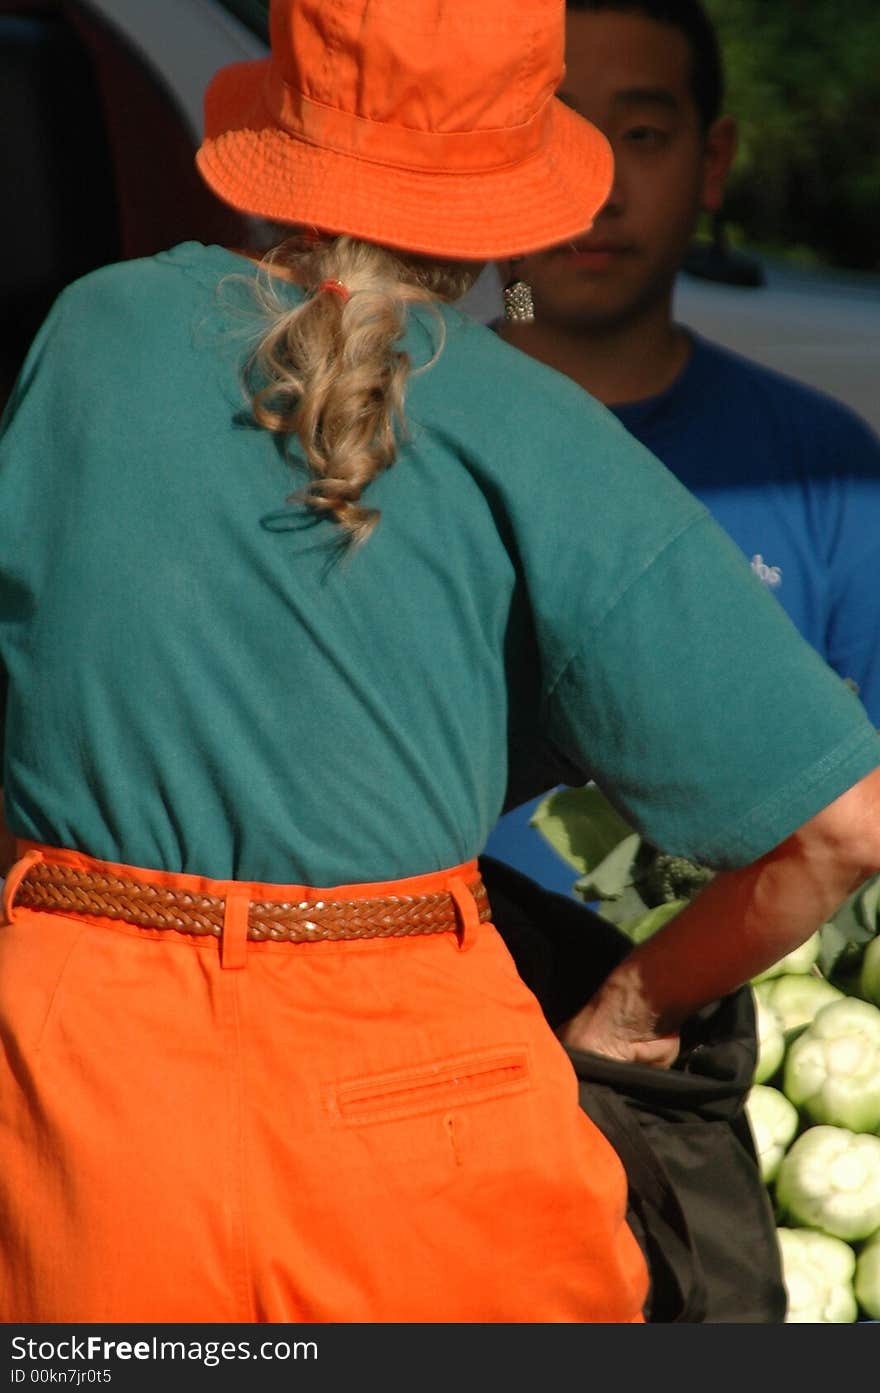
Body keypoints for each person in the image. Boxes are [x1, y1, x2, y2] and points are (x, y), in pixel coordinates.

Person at [0, 0, 879, 1325]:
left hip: (73, 1098)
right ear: (515, 200)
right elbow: (842, 828)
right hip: (422, 1128)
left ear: (280, 125)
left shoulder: (93, 334)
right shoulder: (545, 433)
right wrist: (633, 1009)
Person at [483, 0, 880, 896]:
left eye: (644, 134)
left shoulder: (824, 465)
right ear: (489, 157)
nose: (600, 184)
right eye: (556, 133)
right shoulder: (387, 437)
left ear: (713, 163)